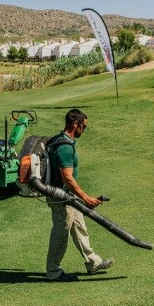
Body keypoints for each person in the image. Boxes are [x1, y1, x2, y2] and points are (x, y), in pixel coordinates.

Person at [45, 109, 115, 282]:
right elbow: (67, 177)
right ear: (75, 124)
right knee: (61, 233)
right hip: (61, 197)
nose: (84, 130)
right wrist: (86, 198)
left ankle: (93, 262)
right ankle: (53, 271)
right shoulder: (64, 146)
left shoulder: (58, 140)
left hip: (68, 196)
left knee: (79, 227)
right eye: (84, 126)